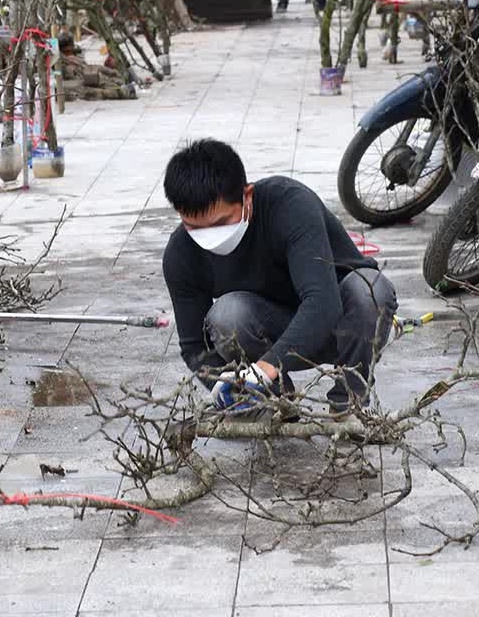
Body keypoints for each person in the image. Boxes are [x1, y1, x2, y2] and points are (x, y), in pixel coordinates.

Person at [162, 139, 397, 416]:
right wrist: (221, 380)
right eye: (194, 227)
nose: (210, 236)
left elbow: (323, 302)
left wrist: (267, 366)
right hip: (270, 333)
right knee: (226, 315)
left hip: (344, 324)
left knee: (369, 290)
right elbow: (193, 346)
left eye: (221, 222)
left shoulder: (289, 204)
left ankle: (349, 406)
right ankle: (277, 405)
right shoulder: (181, 254)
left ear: (247, 196)